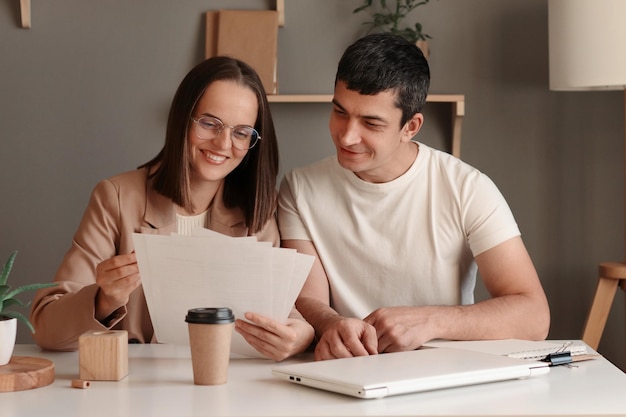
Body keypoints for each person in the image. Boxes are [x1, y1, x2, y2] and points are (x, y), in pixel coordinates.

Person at [278, 33, 550, 361]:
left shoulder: (467, 188)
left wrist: (430, 320)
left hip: (443, 374)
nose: (347, 135)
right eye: (340, 111)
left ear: (411, 126)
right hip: (347, 370)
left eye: (371, 123)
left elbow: (534, 316)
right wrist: (332, 323)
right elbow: (310, 300)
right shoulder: (299, 188)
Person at [30, 56, 314, 361]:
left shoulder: (258, 206)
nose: (222, 143)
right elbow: (46, 329)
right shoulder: (116, 197)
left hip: (225, 388)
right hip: (134, 391)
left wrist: (301, 336)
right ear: (182, 118)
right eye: (209, 123)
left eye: (241, 132)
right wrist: (104, 299)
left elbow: (284, 311)